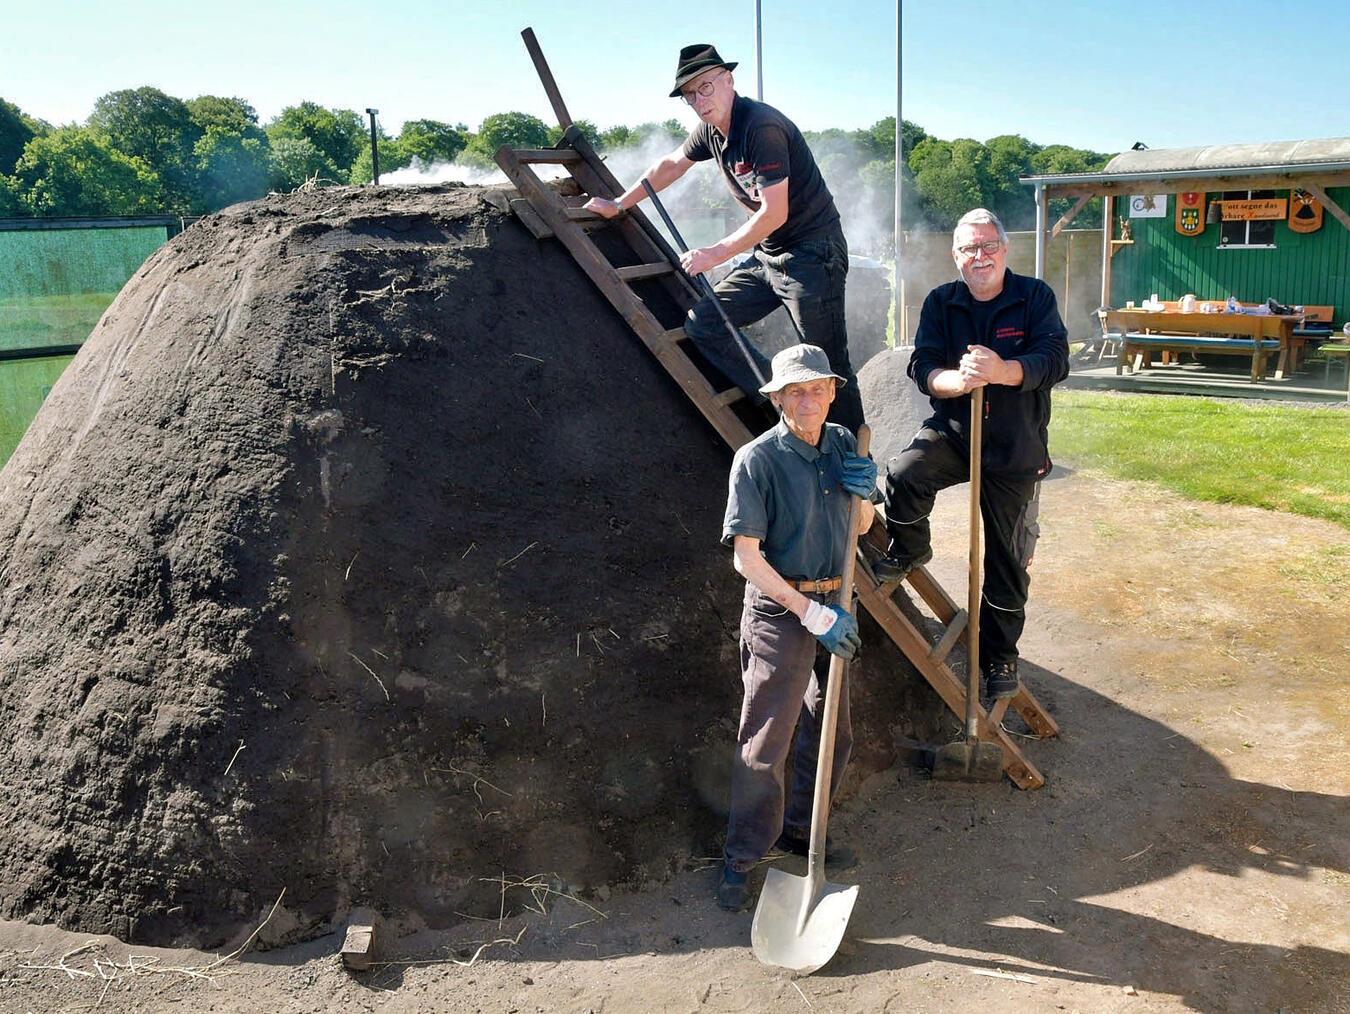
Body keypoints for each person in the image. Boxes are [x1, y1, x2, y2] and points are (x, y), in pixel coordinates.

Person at [583, 44, 864, 434]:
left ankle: (855, 467)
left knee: (826, 363)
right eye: (691, 95)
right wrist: (620, 203)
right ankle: (786, 403)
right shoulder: (711, 131)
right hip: (769, 256)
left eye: (707, 87)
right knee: (705, 324)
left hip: (813, 255)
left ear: (728, 80)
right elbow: (671, 165)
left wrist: (715, 254)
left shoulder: (760, 128)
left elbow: (774, 212)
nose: (700, 100)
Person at [875, 209, 1069, 702]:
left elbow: (1055, 360)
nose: (978, 256)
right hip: (956, 433)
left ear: (1004, 249)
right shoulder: (942, 302)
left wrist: (1004, 370)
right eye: (968, 248)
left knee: (1006, 561)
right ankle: (911, 547)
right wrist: (953, 382)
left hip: (1014, 447)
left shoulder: (1034, 297)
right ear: (955, 254)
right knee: (905, 473)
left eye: (987, 246)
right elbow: (921, 366)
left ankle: (999, 657)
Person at [716, 343, 877, 911]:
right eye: (795, 392)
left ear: (832, 392)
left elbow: (859, 529)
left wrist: (866, 499)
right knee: (767, 739)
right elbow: (746, 558)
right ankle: (741, 856)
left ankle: (804, 834)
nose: (808, 400)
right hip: (781, 612)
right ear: (778, 398)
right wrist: (809, 613)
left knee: (832, 729)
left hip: (837, 600)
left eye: (817, 389)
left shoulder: (841, 443)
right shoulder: (756, 460)